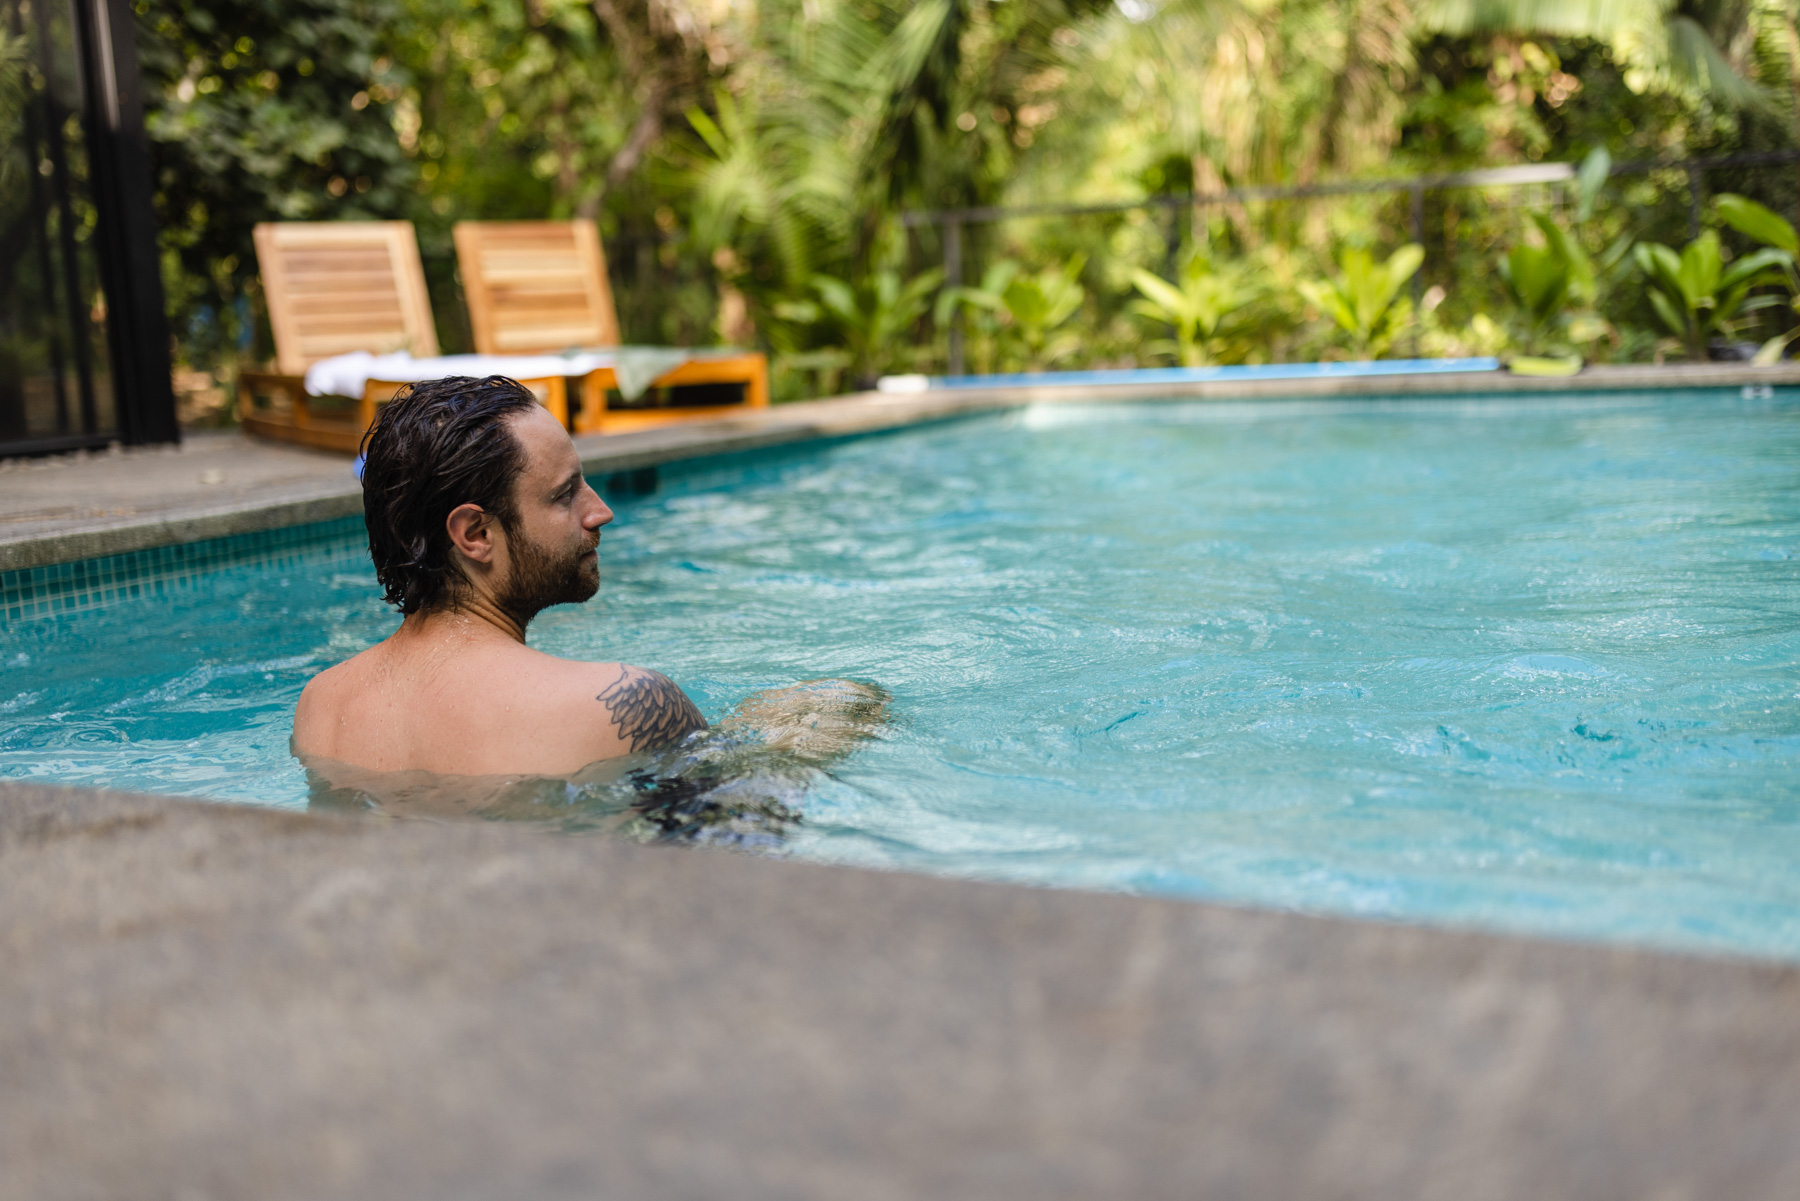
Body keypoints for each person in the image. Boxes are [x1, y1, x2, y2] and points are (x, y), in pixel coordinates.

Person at [292, 376, 709, 776]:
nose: (600, 512)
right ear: (476, 534)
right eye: (565, 494)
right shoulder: (624, 706)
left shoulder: (322, 707)